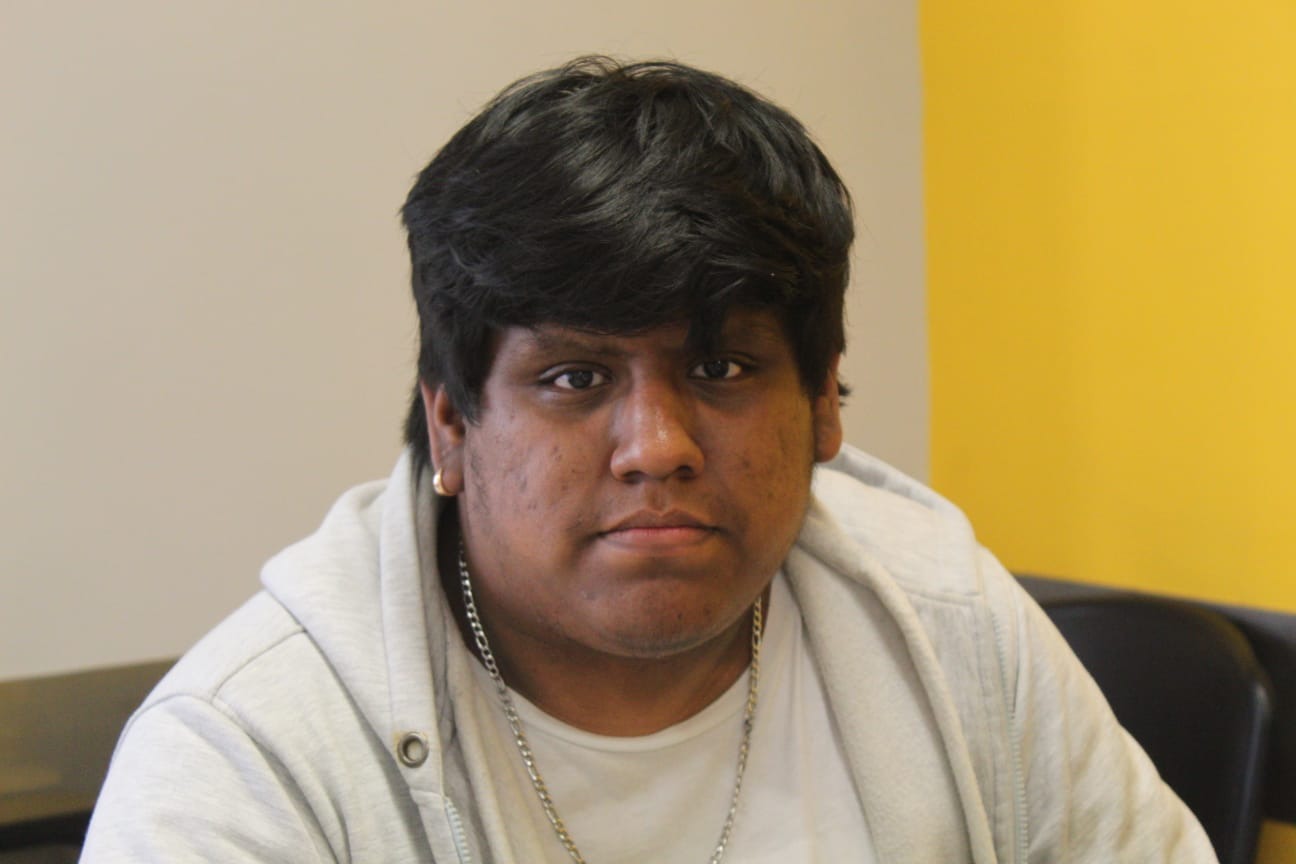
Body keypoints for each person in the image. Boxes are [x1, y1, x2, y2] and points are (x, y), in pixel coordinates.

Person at [81, 57, 1215, 863]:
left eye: (721, 369)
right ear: (450, 426)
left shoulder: (947, 626)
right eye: (575, 379)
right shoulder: (251, 751)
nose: (657, 449)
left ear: (824, 404)